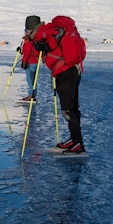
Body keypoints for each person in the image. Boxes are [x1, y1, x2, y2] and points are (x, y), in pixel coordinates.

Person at [29, 15, 86, 154]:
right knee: (72, 108)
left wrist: (45, 46)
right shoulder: (48, 30)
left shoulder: (45, 32)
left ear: (31, 29)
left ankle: (77, 144)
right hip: (71, 71)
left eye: (26, 29)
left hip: (65, 73)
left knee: (68, 110)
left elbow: (53, 43)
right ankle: (74, 140)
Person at [19, 16, 41, 101]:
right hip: (36, 61)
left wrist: (24, 61)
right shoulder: (37, 39)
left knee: (30, 79)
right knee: (34, 79)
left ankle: (31, 95)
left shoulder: (29, 41)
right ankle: (33, 94)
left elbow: (27, 52)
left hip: (30, 62)